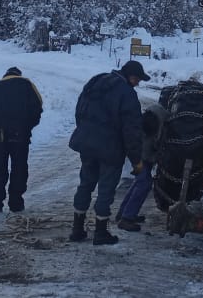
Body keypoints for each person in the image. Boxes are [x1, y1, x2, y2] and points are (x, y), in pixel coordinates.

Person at [68, 60, 150, 245]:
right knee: (106, 189)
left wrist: (86, 132)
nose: (138, 84)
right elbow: (132, 131)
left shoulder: (96, 81)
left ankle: (77, 230)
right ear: (131, 76)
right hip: (110, 149)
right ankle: (101, 232)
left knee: (85, 184)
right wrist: (136, 160)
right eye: (138, 80)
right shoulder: (127, 93)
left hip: (87, 144)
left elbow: (80, 110)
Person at [0, 66, 43, 214]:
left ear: (5, 76)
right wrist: (27, 126)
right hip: (20, 135)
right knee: (19, 168)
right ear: (18, 75)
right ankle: (16, 203)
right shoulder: (27, 85)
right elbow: (37, 108)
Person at [116, 102, 168, 231]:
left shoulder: (152, 117)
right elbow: (150, 145)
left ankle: (123, 213)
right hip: (140, 156)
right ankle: (126, 218)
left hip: (140, 155)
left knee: (139, 182)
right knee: (144, 183)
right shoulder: (155, 123)